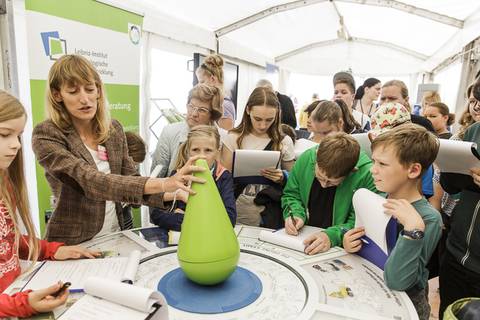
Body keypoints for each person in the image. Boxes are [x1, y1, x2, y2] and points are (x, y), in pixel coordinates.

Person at [32, 55, 205, 245]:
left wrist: (173, 194)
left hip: (116, 236)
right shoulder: (47, 134)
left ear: (98, 90)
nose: (84, 99)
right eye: (73, 91)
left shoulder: (112, 129)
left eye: (90, 89)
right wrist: (164, 183)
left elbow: (132, 180)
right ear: (57, 95)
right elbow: (90, 181)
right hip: (72, 243)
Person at [0, 90, 100, 318]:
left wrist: (53, 250)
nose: (15, 145)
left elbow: (7, 241)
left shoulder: (5, 183)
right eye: (4, 134)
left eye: (18, 135)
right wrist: (22, 305)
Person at [343, 124, 442, 320]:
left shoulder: (429, 219)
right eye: (373, 162)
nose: (373, 170)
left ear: (413, 170)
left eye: (382, 164)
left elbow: (399, 280)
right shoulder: (378, 198)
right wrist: (349, 241)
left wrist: (413, 231)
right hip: (374, 294)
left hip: (407, 306)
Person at [282, 132, 376, 255]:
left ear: (352, 171)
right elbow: (292, 194)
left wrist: (332, 236)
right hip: (304, 239)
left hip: (341, 249)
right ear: (316, 158)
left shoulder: (368, 176)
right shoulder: (306, 159)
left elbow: (361, 221)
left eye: (332, 182)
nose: (324, 185)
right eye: (319, 177)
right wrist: (295, 213)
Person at [221, 86, 295, 226]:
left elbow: (295, 180)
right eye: (258, 119)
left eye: (269, 120)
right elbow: (223, 178)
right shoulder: (233, 138)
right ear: (248, 110)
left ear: (277, 114)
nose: (262, 125)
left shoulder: (284, 141)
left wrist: (282, 176)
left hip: (271, 211)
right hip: (236, 208)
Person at [150, 125, 236, 230]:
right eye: (195, 150)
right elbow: (156, 215)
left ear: (217, 151)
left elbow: (229, 220)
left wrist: (185, 217)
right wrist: (208, 219)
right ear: (188, 151)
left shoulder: (223, 177)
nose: (201, 156)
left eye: (208, 150)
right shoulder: (179, 175)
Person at [439, 121, 480, 318]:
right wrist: (447, 166)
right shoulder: (475, 129)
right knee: (448, 313)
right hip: (456, 251)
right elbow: (454, 187)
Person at [151, 83, 223, 178]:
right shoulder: (169, 132)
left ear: (212, 115)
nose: (194, 114)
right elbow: (156, 176)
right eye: (191, 106)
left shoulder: (220, 138)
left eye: (202, 110)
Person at [195, 53, 236, 130]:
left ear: (213, 79)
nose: (198, 85)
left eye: (201, 81)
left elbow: (225, 139)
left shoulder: (224, 105)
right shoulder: (214, 101)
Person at [123, 131, 148, 229]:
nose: (134, 168)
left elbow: (136, 205)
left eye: (136, 165)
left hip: (126, 222)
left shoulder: (134, 172)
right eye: (133, 164)